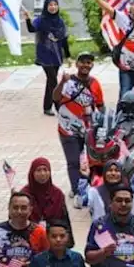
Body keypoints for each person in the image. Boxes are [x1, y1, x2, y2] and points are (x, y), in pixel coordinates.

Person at [52, 53, 104, 201]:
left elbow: (100, 106)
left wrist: (102, 125)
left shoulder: (95, 84)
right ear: (77, 64)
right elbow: (55, 97)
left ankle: (89, 186)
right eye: (83, 62)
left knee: (90, 160)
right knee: (73, 161)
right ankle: (77, 191)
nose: (86, 65)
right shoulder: (68, 82)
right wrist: (61, 83)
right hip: (67, 128)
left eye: (89, 62)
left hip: (88, 130)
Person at [26, 0, 70, 117]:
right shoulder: (41, 20)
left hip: (56, 55)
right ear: (46, 7)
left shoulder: (60, 21)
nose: (53, 7)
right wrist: (27, 19)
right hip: (44, 55)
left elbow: (64, 39)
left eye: (55, 4)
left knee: (51, 82)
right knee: (53, 81)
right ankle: (58, 106)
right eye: (50, 5)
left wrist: (68, 56)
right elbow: (32, 29)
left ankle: (46, 107)